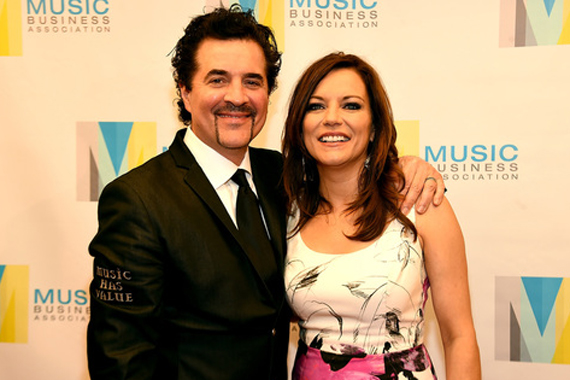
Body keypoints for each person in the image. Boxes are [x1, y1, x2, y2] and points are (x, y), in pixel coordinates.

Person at [87, 6, 445, 380]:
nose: (237, 97)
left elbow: (352, 179)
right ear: (185, 91)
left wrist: (406, 168)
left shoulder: (284, 178)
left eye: (253, 81)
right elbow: (120, 357)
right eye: (218, 80)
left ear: (268, 95)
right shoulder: (137, 200)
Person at [282, 53, 481, 380]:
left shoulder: (420, 204)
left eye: (351, 105)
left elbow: (459, 337)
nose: (332, 118)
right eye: (316, 106)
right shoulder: (287, 211)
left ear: (374, 126)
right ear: (299, 126)